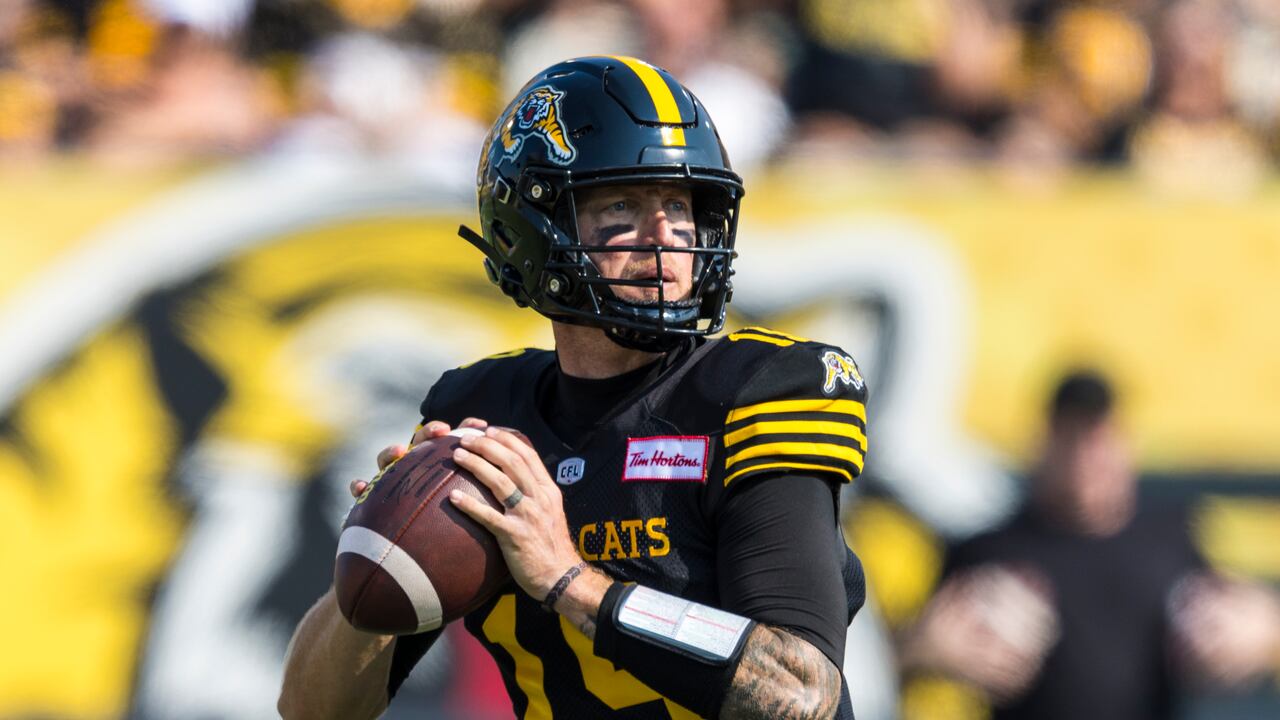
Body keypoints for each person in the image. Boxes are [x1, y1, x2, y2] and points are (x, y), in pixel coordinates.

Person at [278, 55, 869, 719]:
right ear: (530, 227)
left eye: (680, 204)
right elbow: (310, 709)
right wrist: (384, 552)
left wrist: (570, 580)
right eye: (623, 206)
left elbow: (800, 690)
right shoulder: (481, 414)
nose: (666, 236)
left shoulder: (762, 390)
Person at [899, 370, 1280, 720]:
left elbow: (1244, 622)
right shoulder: (992, 547)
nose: (1085, 459)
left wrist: (1268, 632)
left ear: (1123, 442)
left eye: (1096, 439)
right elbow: (887, 664)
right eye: (1071, 440)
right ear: (1044, 444)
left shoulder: (1172, 533)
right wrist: (920, 648)